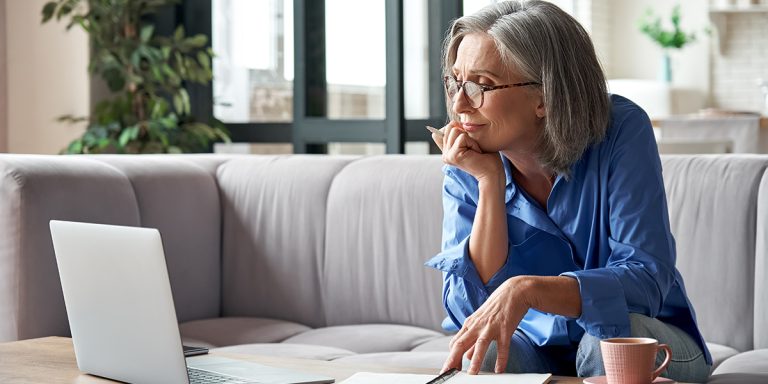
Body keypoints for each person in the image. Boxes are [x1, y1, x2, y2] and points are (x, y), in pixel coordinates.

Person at [424, 1, 712, 382]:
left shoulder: (622, 131)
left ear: (544, 97)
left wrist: (529, 290)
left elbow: (646, 279)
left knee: (604, 343)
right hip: (536, 346)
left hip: (646, 335)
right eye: (456, 82)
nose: (460, 104)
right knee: (486, 351)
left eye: (482, 85)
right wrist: (489, 184)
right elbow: (470, 312)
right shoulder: (469, 159)